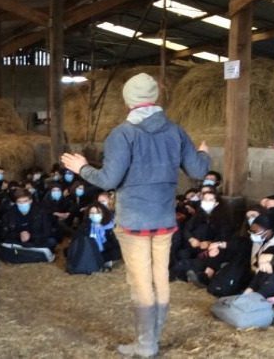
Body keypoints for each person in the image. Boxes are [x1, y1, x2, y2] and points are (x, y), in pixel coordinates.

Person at [61, 72, 210, 357]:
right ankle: (152, 339)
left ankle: (146, 344)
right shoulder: (175, 131)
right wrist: (203, 154)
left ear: (129, 100)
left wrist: (82, 167)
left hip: (134, 223)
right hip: (164, 221)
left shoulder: (123, 133)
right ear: (154, 98)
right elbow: (199, 170)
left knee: (141, 282)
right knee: (160, 279)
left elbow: (108, 180)